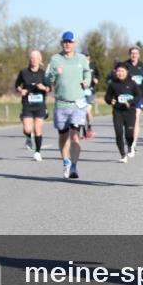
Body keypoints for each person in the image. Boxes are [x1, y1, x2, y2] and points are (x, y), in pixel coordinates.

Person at [45, 31, 91, 179]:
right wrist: (53, 74)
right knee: (63, 137)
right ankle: (66, 162)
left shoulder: (82, 59)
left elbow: (87, 73)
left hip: (77, 104)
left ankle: (74, 167)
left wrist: (86, 82)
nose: (67, 44)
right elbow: (48, 79)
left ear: (74, 44)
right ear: (61, 43)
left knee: (75, 136)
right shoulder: (55, 59)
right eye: (65, 42)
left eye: (70, 42)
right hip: (61, 104)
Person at [110, 47, 143, 157]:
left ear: (139, 55)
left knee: (136, 117)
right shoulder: (125, 65)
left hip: (138, 96)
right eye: (132, 53)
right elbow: (117, 78)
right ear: (129, 54)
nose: (134, 55)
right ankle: (130, 141)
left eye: (136, 53)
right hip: (126, 96)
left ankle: (133, 143)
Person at [14, 49, 49, 161]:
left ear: (40, 60)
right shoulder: (23, 72)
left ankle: (37, 152)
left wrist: (43, 88)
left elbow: (49, 88)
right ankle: (28, 137)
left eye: (36, 58)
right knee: (27, 129)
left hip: (39, 105)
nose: (34, 60)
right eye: (32, 58)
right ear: (30, 60)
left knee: (38, 130)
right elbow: (17, 85)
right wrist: (21, 90)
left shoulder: (44, 74)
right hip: (27, 104)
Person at [104, 62, 140, 162]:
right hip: (117, 112)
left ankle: (130, 146)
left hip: (130, 112)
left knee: (129, 135)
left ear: (127, 72)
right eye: (118, 71)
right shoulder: (113, 84)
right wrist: (110, 100)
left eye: (122, 71)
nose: (120, 73)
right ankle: (123, 155)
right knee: (119, 133)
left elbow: (138, 96)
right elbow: (107, 97)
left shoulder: (132, 83)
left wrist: (130, 102)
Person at [81, 49, 100, 139]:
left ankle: (89, 125)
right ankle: (83, 129)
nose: (86, 57)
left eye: (87, 55)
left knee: (88, 111)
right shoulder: (79, 65)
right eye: (84, 55)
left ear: (89, 57)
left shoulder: (93, 65)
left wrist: (96, 79)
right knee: (81, 111)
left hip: (90, 91)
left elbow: (98, 75)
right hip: (80, 91)